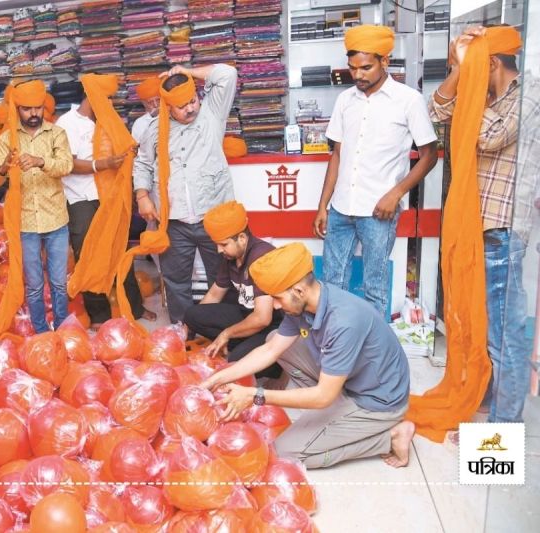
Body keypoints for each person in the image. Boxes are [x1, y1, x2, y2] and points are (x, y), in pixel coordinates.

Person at [201, 242, 414, 469]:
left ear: (299, 291)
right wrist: (217, 378)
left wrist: (256, 395)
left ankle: (390, 436)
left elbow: (323, 396)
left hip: (376, 401)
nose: (273, 306)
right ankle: (334, 409)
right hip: (350, 381)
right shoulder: (305, 302)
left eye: (276, 298)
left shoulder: (343, 321)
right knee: (274, 337)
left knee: (286, 452)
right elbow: (271, 350)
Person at [428, 25, 538, 423]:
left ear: (492, 63)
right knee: (477, 327)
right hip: (477, 229)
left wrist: (471, 88)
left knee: (504, 337)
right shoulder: (484, 95)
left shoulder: (530, 94)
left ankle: (502, 431)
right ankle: (485, 400)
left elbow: (490, 136)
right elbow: (436, 109)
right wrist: (460, 69)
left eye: (474, 66)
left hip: (502, 231)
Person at [313, 25, 438, 319]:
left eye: (366, 67)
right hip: (341, 209)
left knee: (374, 288)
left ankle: (373, 357)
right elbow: (338, 155)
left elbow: (429, 156)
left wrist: (395, 194)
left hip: (379, 210)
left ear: (385, 61)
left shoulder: (409, 100)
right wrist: (323, 206)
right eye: (353, 68)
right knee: (333, 284)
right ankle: (336, 347)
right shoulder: (345, 100)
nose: (358, 75)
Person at [133, 63, 238, 324]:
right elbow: (143, 163)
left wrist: (188, 72)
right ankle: (184, 330)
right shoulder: (155, 129)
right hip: (174, 221)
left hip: (214, 217)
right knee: (176, 282)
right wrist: (142, 196)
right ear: (168, 106)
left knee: (223, 278)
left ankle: (223, 329)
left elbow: (227, 74)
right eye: (182, 106)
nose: (191, 108)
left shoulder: (212, 113)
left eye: (192, 100)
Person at [56, 79, 156, 328]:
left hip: (109, 198)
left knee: (120, 252)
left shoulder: (108, 122)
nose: (110, 104)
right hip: (81, 199)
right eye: (107, 98)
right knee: (89, 256)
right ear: (91, 96)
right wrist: (103, 165)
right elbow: (66, 163)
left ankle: (134, 307)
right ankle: (99, 317)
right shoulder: (67, 124)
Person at [0, 79, 74, 333]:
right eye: (27, 109)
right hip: (25, 223)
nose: (34, 114)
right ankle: (41, 331)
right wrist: (4, 167)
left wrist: (40, 161)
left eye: (38, 108)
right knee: (34, 284)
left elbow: (66, 165)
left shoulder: (56, 133)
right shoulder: (7, 139)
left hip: (56, 219)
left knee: (59, 283)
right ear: (17, 109)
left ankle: (62, 329)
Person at [183, 201, 282, 380]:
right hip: (246, 316)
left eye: (223, 244)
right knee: (191, 314)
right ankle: (243, 342)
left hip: (272, 326)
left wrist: (226, 333)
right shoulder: (232, 256)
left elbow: (263, 318)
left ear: (242, 238)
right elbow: (214, 293)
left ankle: (278, 366)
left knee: (235, 363)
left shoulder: (261, 258)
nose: (219, 250)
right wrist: (185, 329)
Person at [131, 76, 161, 143]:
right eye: (150, 102)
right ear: (144, 104)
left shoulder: (176, 117)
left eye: (158, 100)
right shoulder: (139, 124)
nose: (156, 105)